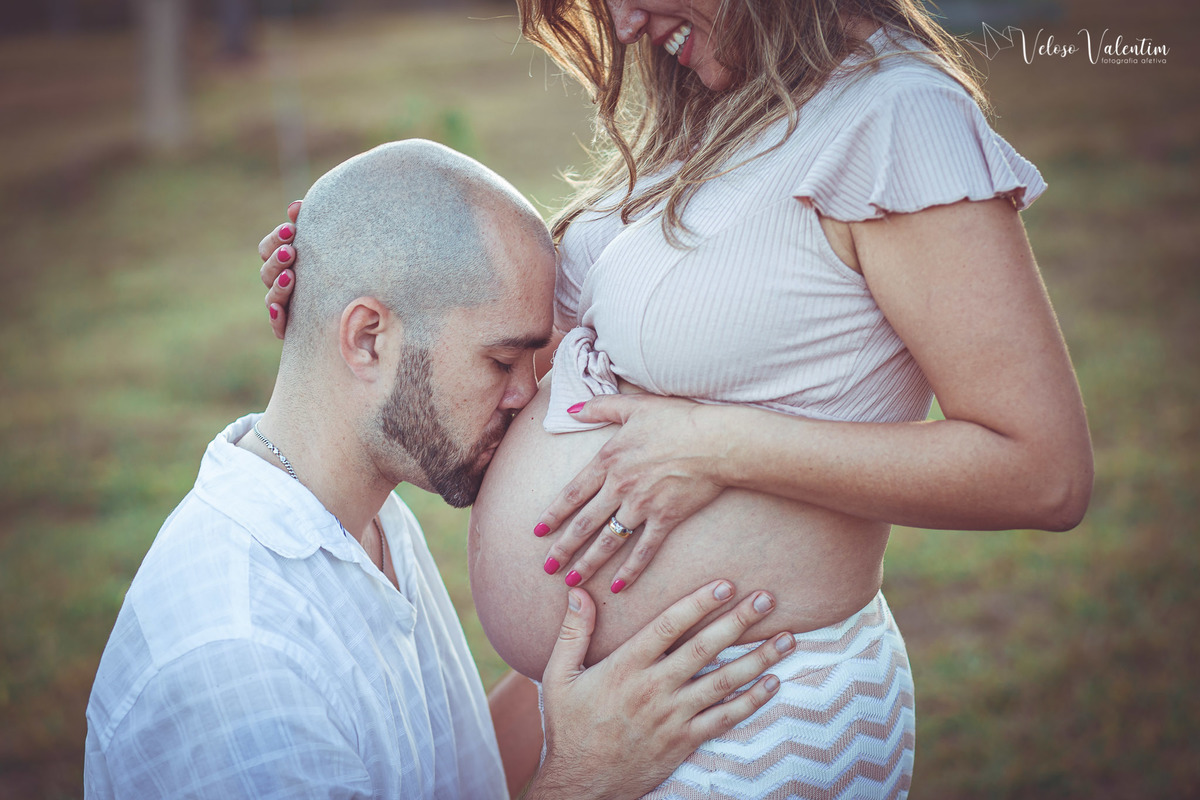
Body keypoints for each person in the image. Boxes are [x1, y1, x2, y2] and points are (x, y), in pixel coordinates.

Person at [258, 1, 1095, 796]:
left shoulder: (895, 118)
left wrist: (715, 446)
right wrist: (360, 285)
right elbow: (571, 334)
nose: (620, 24)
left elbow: (1042, 471)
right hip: (613, 692)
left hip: (751, 707)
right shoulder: (717, 113)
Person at [84, 140, 798, 800]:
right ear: (367, 339)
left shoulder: (362, 515)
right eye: (500, 362)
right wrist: (584, 779)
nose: (527, 397)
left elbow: (436, 776)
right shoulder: (237, 658)